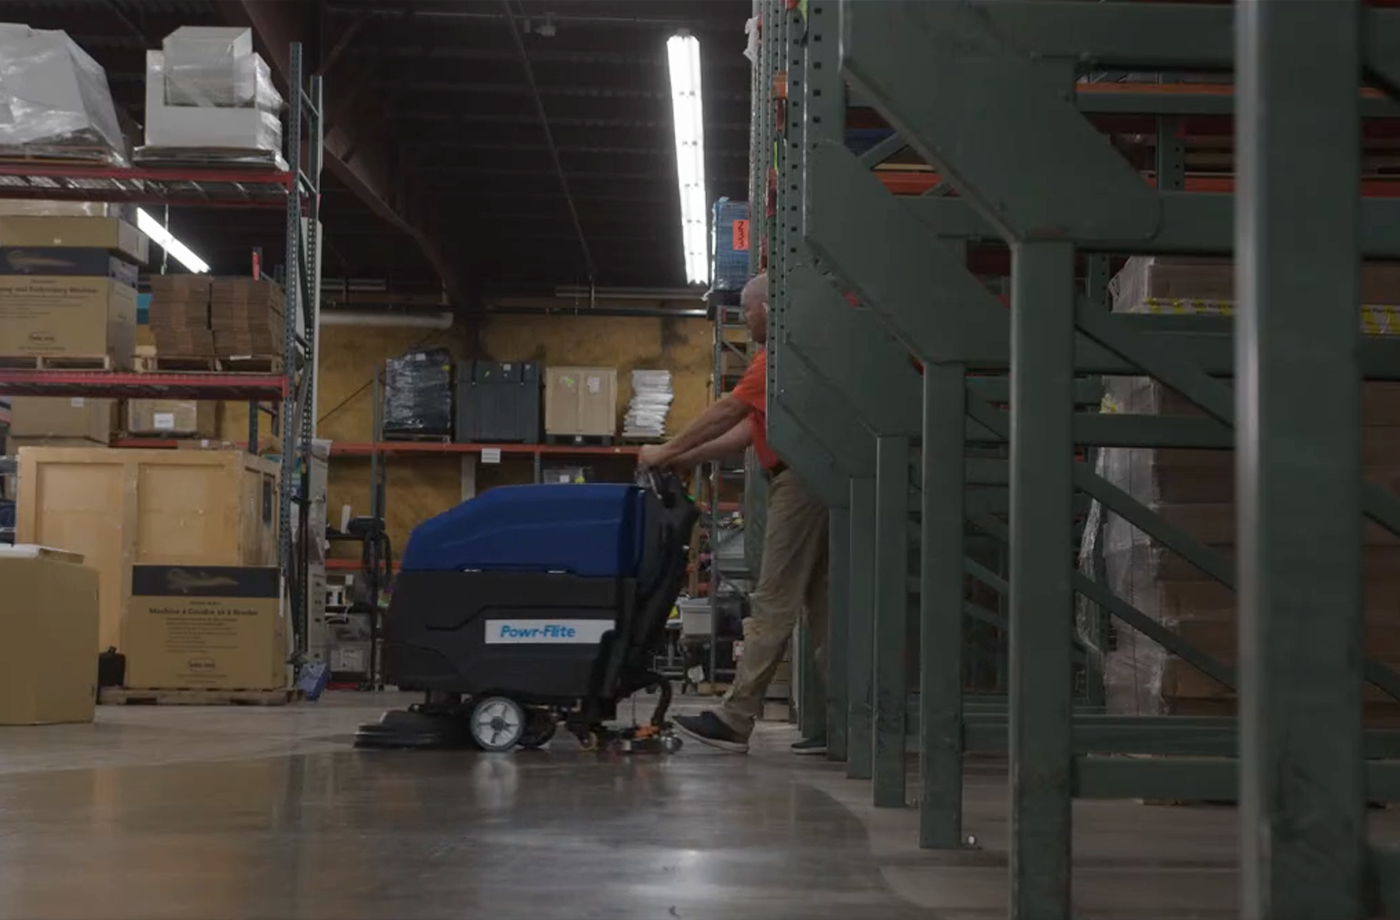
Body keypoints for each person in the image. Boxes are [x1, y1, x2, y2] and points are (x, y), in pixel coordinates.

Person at [638, 273, 830, 755]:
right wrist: (686, 458)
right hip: (805, 477)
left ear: (768, 307)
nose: (746, 318)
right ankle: (846, 725)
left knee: (772, 601)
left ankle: (735, 717)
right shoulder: (791, 354)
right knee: (825, 610)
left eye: (748, 309)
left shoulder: (779, 356)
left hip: (800, 482)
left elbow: (727, 411)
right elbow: (747, 430)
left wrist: (665, 451)